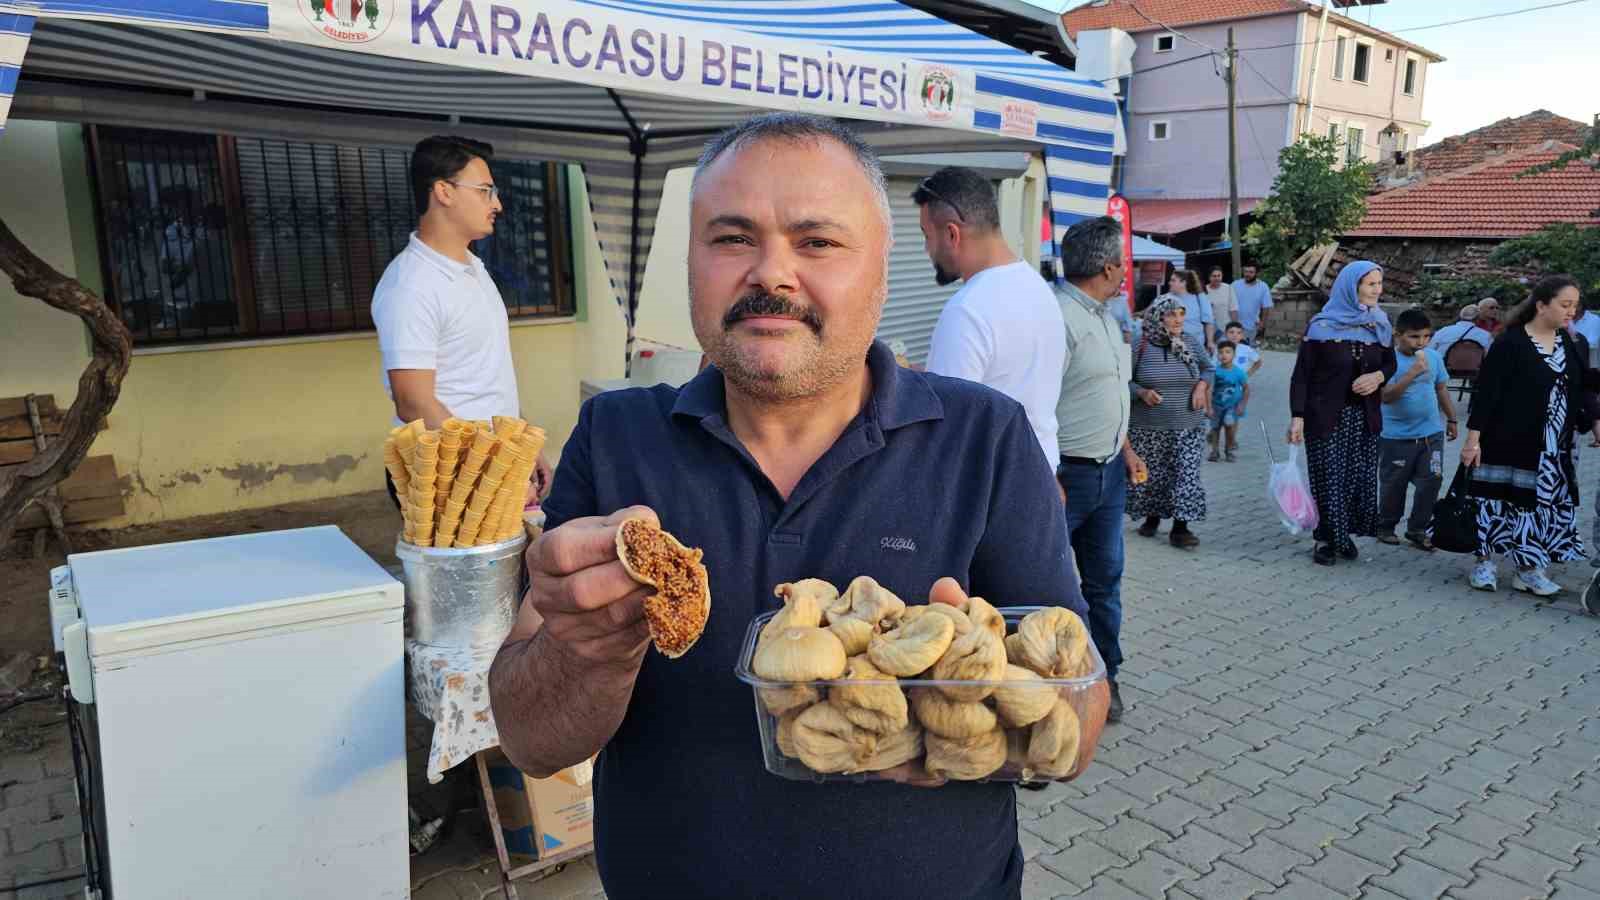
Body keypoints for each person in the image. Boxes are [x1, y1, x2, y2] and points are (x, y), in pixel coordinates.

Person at [486, 113, 1109, 899]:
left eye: (816, 242)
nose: (771, 273)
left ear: (881, 271)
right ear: (691, 264)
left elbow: (1080, 716)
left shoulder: (986, 439)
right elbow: (530, 740)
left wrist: (983, 694)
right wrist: (588, 652)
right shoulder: (616, 439)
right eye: (732, 237)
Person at [372, 135, 549, 506]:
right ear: (444, 191)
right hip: (447, 473)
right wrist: (490, 470)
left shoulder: (473, 267)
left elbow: (488, 373)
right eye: (485, 191)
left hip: (493, 463)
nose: (497, 204)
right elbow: (413, 401)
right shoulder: (412, 283)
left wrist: (523, 441)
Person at [1053, 215, 1148, 725]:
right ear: (1109, 267)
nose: (1125, 273)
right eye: (1123, 264)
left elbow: (1108, 397)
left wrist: (1128, 449)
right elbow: (1035, 404)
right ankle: (1051, 684)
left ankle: (1105, 674)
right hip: (1064, 478)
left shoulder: (1109, 320)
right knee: (1047, 585)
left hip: (1110, 474)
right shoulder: (1056, 318)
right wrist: (1046, 475)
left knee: (1105, 582)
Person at [920, 166, 1066, 468]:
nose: (926, 250)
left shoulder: (968, 309)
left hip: (991, 486)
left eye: (926, 236)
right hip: (1039, 469)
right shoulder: (1037, 286)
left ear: (951, 233)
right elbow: (1012, 378)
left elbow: (946, 425)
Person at [1462, 275, 1592, 598]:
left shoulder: (1574, 344)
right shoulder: (1511, 342)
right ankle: (1484, 562)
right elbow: (1487, 394)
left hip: (1553, 446)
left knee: (1538, 507)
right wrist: (1472, 440)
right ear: (1541, 305)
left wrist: (1594, 422)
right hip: (1505, 440)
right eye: (1565, 305)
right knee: (1495, 501)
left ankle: (1529, 568)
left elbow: (1583, 389)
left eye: (1575, 306)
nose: (1571, 312)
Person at [1288, 261, 1397, 566]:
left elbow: (1390, 363)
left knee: (1354, 479)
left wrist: (1378, 377)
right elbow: (1302, 375)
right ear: (1352, 287)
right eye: (1371, 284)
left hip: (1364, 417)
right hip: (1324, 415)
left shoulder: (1379, 323)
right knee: (1327, 477)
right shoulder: (1321, 326)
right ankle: (1325, 538)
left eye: (1379, 283)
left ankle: (1342, 534)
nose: (1378, 290)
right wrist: (1298, 415)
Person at [1128, 296, 1213, 548]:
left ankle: (1180, 528)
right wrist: (1142, 393)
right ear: (1158, 317)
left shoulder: (1190, 342)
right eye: (1171, 314)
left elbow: (1208, 368)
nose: (1178, 320)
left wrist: (1201, 386)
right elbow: (1123, 380)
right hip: (1149, 427)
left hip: (1188, 424)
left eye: (1181, 314)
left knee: (1185, 475)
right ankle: (1152, 517)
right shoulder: (1139, 344)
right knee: (1154, 476)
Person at [1376, 309, 1457, 552]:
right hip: (1396, 437)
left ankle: (1418, 529)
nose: (1421, 342)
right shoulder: (1387, 360)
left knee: (1432, 480)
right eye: (1413, 337)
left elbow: (1441, 388)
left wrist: (1452, 419)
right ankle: (1386, 526)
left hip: (1430, 435)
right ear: (1397, 335)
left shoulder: (1432, 357)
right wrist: (1412, 373)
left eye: (1425, 336)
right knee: (1394, 484)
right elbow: (1386, 397)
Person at [1206, 341, 1249, 463]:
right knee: (1215, 428)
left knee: (1229, 425)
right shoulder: (1214, 372)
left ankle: (1229, 450)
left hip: (1232, 406)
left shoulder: (1238, 372)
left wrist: (1242, 405)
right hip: (1217, 405)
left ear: (1234, 354)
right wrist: (1208, 407)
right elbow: (1208, 389)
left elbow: (1246, 389)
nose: (1224, 355)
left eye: (1228, 352)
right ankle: (1215, 451)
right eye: (1220, 352)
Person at [1159, 269, 1213, 353]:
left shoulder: (1199, 297)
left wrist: (1210, 342)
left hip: (1195, 348)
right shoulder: (1165, 298)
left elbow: (1208, 321)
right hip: (1171, 348)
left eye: (1173, 280)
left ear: (1183, 283)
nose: (1169, 283)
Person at [1230, 263, 1274, 343]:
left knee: (1247, 350)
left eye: (1251, 272)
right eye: (1245, 271)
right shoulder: (1235, 285)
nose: (1247, 274)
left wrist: (1262, 324)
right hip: (1234, 325)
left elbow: (1266, 307)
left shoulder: (1263, 287)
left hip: (1251, 326)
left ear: (1257, 273)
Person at [1428, 304, 1493, 356]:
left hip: (1444, 370)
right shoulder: (1486, 335)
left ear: (1461, 316)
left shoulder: (1443, 331)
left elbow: (1429, 351)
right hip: (1474, 371)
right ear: (1478, 318)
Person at [1205, 267, 1234, 338]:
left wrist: (1234, 326)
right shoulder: (1204, 290)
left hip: (1226, 327)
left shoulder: (1228, 288)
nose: (1217, 278)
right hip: (1211, 329)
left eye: (1219, 276)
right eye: (1214, 276)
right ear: (1209, 277)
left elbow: (1233, 309)